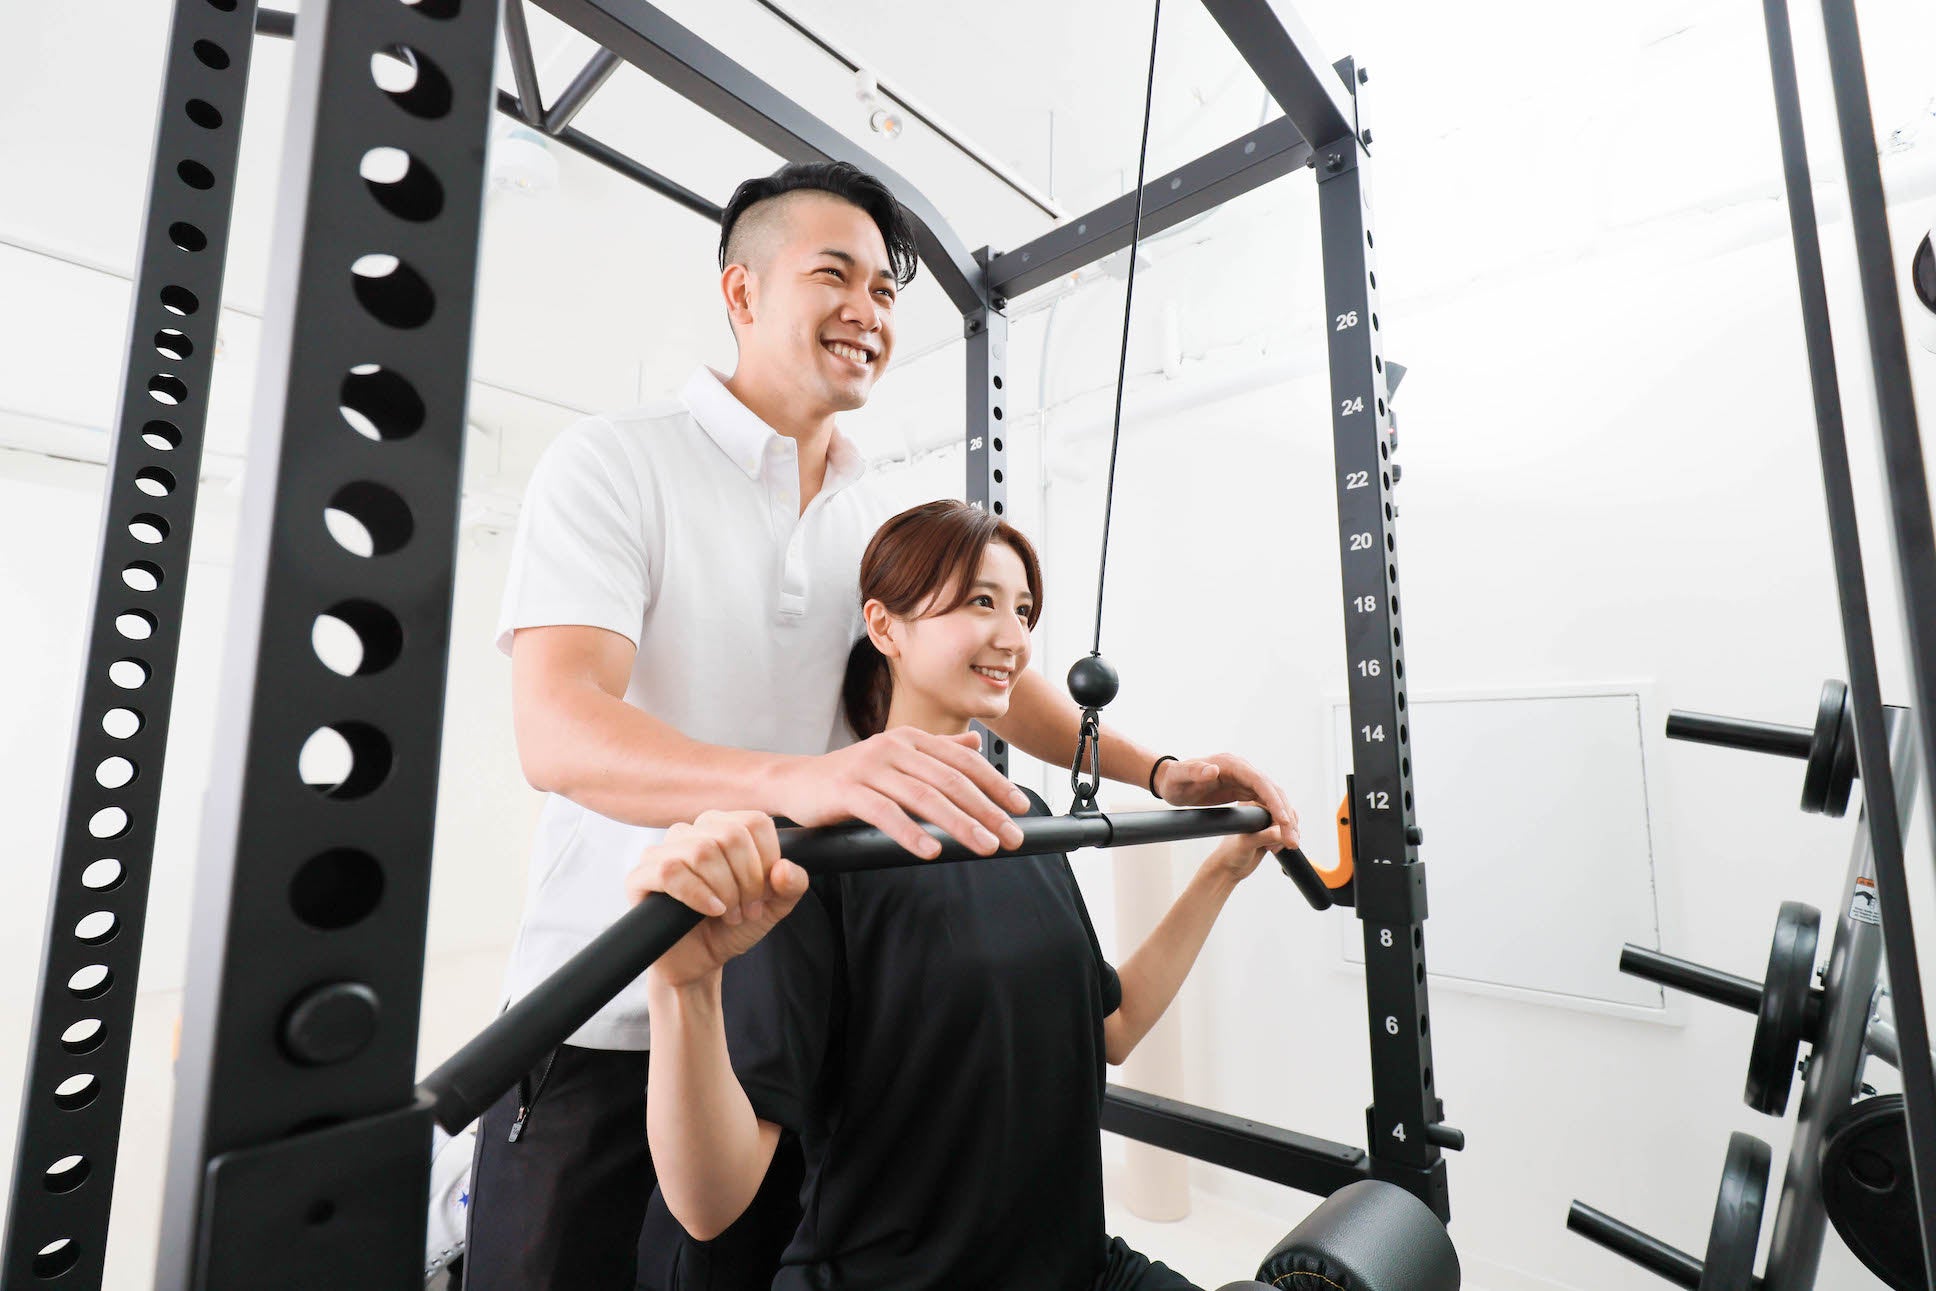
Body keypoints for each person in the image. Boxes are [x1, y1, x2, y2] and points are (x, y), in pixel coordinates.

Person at [468, 159, 1299, 1291]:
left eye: (888, 290)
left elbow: (1000, 673)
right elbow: (558, 730)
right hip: (609, 1019)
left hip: (792, 1030)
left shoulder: (872, 514)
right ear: (744, 292)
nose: (869, 309)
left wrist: (1157, 768)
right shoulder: (616, 464)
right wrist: (798, 783)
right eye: (835, 274)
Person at [633, 500, 1291, 1291]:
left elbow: (1111, 1027)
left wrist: (1222, 868)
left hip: (1080, 1269)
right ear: (885, 627)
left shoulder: (1027, 823)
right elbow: (711, 1205)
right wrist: (686, 987)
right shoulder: (820, 858)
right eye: (982, 602)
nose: (1013, 636)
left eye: (1022, 609)